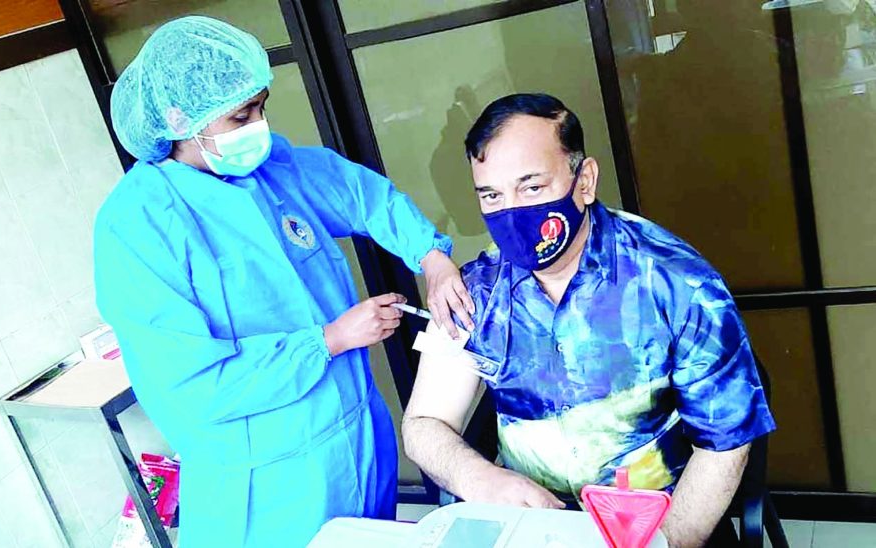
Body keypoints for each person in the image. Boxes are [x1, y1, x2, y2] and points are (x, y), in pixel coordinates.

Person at [93, 16, 474, 548]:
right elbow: (192, 388)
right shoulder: (139, 225)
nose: (259, 128)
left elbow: (362, 196)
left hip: (359, 443)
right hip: (266, 490)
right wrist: (330, 340)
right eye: (241, 115)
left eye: (261, 108)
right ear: (181, 119)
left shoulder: (275, 170)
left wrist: (431, 255)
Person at [402, 94, 776, 547]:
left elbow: (726, 441)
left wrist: (669, 540)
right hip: (530, 524)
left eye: (532, 187)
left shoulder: (677, 283)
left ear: (584, 182)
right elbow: (423, 424)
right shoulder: (475, 292)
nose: (512, 213)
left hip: (658, 520)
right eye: (492, 195)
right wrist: (480, 479)